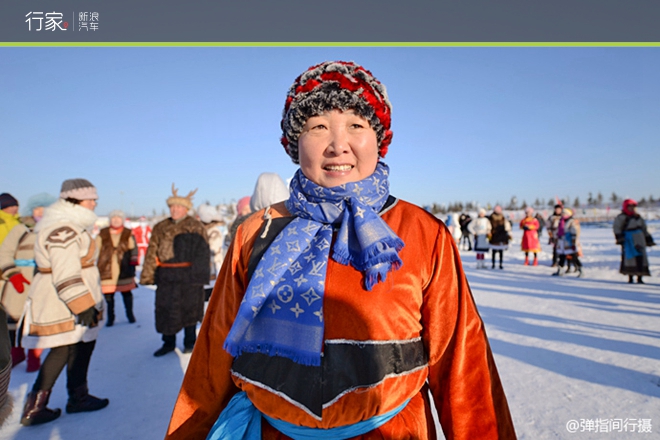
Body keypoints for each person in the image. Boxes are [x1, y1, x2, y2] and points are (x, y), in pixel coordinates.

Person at [165, 61, 515, 439]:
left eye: (356, 125)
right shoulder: (256, 232)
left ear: (377, 139)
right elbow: (212, 359)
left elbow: (462, 365)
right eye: (317, 127)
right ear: (294, 142)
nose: (337, 145)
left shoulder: (420, 232)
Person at [19, 178, 108, 426]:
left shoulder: (68, 225)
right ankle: (36, 407)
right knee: (62, 349)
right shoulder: (64, 230)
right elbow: (65, 272)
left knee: (78, 346)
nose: (94, 204)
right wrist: (82, 305)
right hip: (65, 302)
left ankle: (76, 396)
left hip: (70, 298)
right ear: (74, 201)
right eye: (91, 199)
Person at [140, 185, 210, 357]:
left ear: (186, 209)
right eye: (172, 207)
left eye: (178, 207)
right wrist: (149, 274)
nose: (175, 210)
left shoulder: (195, 226)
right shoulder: (160, 227)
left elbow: (203, 253)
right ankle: (168, 343)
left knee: (190, 310)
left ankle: (189, 342)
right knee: (166, 311)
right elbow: (152, 251)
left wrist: (199, 276)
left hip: (189, 277)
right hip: (166, 276)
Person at [0, 192, 57, 372]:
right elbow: (4, 252)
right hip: (20, 279)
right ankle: (16, 353)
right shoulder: (21, 229)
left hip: (42, 280)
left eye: (44, 210)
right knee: (14, 319)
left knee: (36, 320)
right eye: (37, 210)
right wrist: (12, 274)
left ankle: (35, 355)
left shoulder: (53, 230)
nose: (40, 213)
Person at [96, 210, 138, 326]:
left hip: (123, 267)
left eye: (118, 218)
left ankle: (130, 315)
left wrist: (133, 261)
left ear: (122, 220)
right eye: (113, 218)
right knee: (109, 296)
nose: (116, 220)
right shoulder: (103, 233)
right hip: (107, 268)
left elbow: (133, 248)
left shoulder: (127, 233)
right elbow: (95, 249)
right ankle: (110, 318)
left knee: (126, 294)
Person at [613, 199, 655, 284]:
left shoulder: (638, 217)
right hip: (628, 239)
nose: (632, 209)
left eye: (633, 207)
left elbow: (644, 228)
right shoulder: (621, 217)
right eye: (630, 207)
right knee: (630, 257)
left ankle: (640, 276)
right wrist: (619, 237)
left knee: (641, 257)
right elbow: (616, 227)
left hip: (640, 239)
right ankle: (630, 276)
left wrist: (648, 238)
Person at [552, 208, 583, 277]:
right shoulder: (561, 221)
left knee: (573, 256)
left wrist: (573, 242)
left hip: (569, 242)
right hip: (562, 242)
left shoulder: (572, 221)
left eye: (564, 213)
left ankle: (581, 269)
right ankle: (560, 270)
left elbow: (574, 232)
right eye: (562, 213)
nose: (563, 214)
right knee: (562, 256)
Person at [488, 205, 512, 269]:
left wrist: (509, 233)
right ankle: (493, 264)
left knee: (501, 251)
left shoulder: (503, 217)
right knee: (494, 251)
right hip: (494, 235)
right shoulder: (491, 218)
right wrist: (489, 232)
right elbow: (489, 226)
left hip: (502, 235)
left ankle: (500, 264)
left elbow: (507, 226)